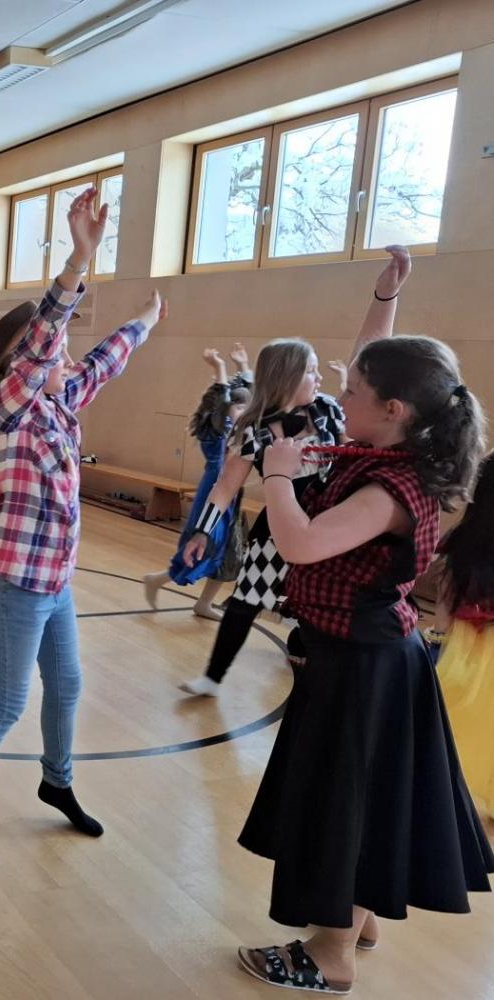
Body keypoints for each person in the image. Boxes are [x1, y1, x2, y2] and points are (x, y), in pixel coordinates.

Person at [236, 336, 491, 994]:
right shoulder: (388, 455)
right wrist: (383, 298)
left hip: (364, 665)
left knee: (346, 805)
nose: (340, 397)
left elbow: (300, 544)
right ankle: (356, 920)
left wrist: (276, 475)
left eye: (352, 390)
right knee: (356, 800)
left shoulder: (390, 488)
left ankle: (331, 954)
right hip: (356, 659)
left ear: (393, 409)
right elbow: (373, 354)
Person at [0, 187, 168, 871]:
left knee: (66, 686)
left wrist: (144, 321)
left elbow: (102, 363)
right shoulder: (12, 408)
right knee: (6, 702)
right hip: (18, 583)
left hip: (55, 580)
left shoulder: (61, 406)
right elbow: (41, 344)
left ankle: (55, 781)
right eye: (59, 355)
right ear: (26, 368)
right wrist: (77, 262)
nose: (68, 361)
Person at [177, 246, 413, 696]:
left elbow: (368, 360)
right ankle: (213, 676)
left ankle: (308, 665)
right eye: (311, 371)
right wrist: (202, 531)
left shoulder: (329, 410)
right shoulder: (255, 430)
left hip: (328, 523)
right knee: (246, 601)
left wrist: (386, 297)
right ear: (287, 378)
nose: (320, 378)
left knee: (317, 604)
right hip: (278, 528)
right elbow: (225, 488)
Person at [142, 345, 252, 620]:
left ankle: (203, 604)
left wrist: (243, 366)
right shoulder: (216, 435)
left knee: (229, 555)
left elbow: (255, 401)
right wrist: (220, 368)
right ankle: (157, 579)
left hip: (232, 496)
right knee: (204, 549)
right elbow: (220, 403)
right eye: (239, 407)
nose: (245, 412)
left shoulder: (240, 433)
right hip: (213, 495)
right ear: (224, 411)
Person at [431, 452, 494, 819]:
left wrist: (438, 639)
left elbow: (445, 602)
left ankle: (447, 790)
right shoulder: (464, 541)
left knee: (456, 722)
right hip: (476, 645)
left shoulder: (464, 540)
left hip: (464, 646)